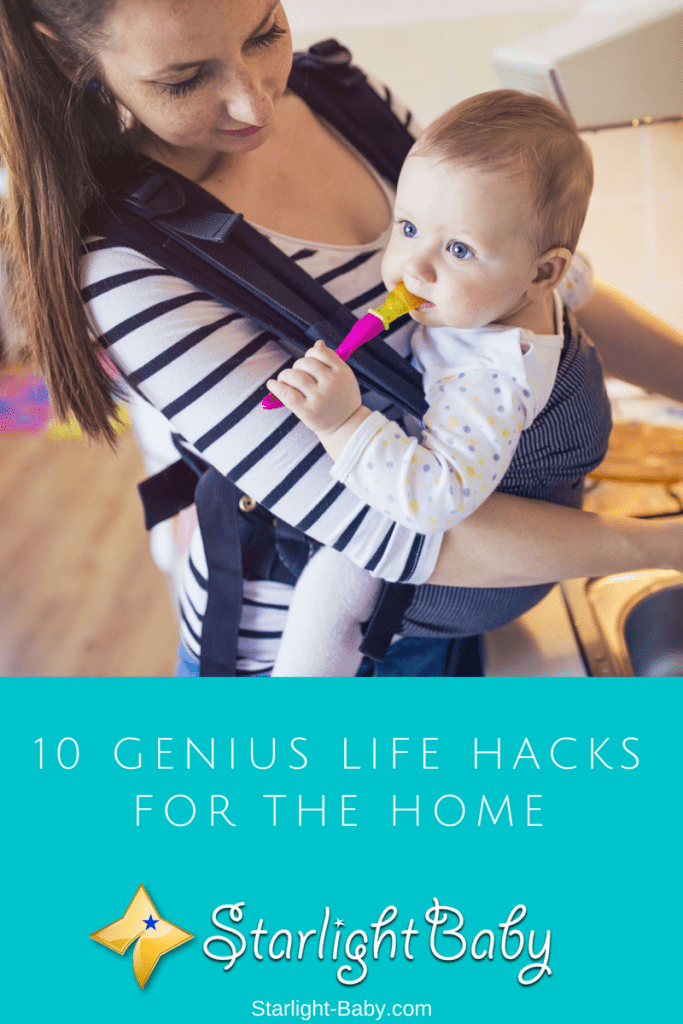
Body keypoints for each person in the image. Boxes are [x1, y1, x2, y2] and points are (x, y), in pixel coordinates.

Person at [1, 0, 683, 677]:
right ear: (68, 56)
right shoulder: (125, 264)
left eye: (265, 33)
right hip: (321, 658)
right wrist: (663, 545)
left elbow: (543, 287)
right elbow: (388, 528)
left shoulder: (346, 100)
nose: (254, 104)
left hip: (467, 594)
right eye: (184, 79)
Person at [267, 90, 610, 677]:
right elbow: (579, 282)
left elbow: (432, 499)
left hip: (481, 585)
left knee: (334, 581)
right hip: (526, 544)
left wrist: (342, 424)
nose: (414, 268)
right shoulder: (539, 287)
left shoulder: (486, 374)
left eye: (458, 249)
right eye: (407, 227)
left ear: (540, 270)